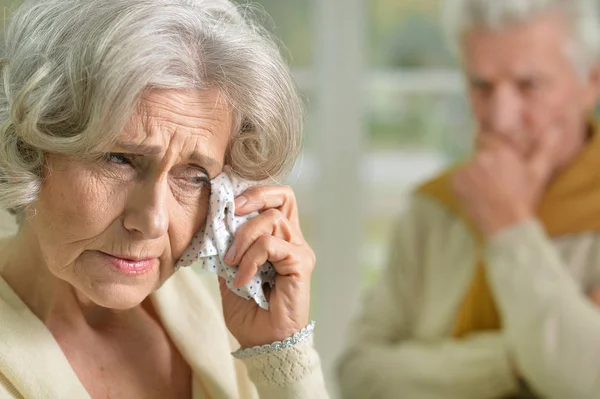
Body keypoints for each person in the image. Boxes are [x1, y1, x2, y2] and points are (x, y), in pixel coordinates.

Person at [0, 0, 328, 398]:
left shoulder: (213, 308)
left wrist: (281, 358)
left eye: (193, 176)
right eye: (119, 159)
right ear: (28, 149)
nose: (153, 221)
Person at [337, 0, 600, 398]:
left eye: (529, 85)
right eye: (482, 86)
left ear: (591, 82)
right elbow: (359, 375)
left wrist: (508, 225)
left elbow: (587, 380)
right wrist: (517, 359)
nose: (501, 117)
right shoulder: (435, 206)